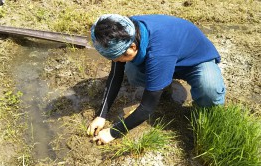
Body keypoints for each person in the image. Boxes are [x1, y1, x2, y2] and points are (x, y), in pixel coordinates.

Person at [87, 14, 226, 145]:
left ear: (132, 47)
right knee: (132, 72)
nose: (115, 61)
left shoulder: (158, 53)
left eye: (117, 58)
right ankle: (162, 84)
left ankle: (207, 113)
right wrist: (101, 115)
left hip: (195, 60)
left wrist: (114, 132)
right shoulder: (123, 31)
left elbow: (147, 108)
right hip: (167, 56)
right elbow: (115, 75)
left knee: (209, 89)